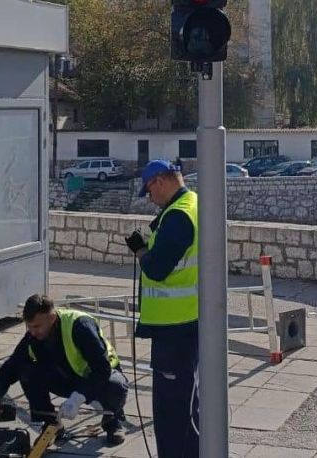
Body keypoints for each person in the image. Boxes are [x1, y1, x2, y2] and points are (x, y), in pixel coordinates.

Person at [125, 159, 199, 458]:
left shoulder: (178, 216)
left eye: (149, 191)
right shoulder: (193, 203)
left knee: (171, 412)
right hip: (188, 323)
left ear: (159, 181)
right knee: (189, 405)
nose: (150, 199)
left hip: (175, 328)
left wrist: (140, 250)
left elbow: (157, 268)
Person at [0, 294, 128, 446]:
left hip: (99, 379)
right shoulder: (34, 335)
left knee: (116, 386)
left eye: (36, 326)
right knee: (27, 372)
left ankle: (113, 421)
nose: (32, 332)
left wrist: (78, 397)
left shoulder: (80, 326)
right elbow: (14, 363)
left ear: (52, 318)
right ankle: (51, 425)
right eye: (29, 326)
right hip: (67, 378)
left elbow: (102, 369)